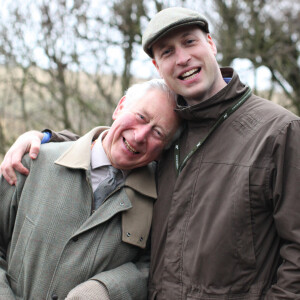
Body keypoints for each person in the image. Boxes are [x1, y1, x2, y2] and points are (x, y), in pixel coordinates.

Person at [1, 6, 300, 299]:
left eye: (189, 41)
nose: (182, 58)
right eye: (167, 51)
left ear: (211, 43)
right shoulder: (173, 141)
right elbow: (112, 150)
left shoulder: (279, 131)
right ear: (157, 66)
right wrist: (45, 138)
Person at [0, 78, 181, 300]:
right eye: (141, 117)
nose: (140, 135)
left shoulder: (162, 199)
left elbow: (156, 267)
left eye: (158, 133)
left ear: (165, 148)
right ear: (120, 106)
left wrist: (109, 288)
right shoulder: (33, 163)